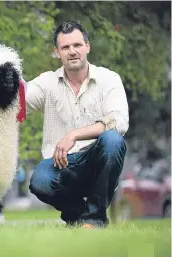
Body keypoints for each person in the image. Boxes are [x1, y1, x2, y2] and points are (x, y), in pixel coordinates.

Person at [26, 20, 129, 228]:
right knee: (39, 181)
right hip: (61, 164)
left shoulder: (109, 79)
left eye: (77, 45)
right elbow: (17, 100)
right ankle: (79, 216)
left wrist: (73, 135)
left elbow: (119, 122)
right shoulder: (47, 82)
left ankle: (94, 219)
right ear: (57, 52)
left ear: (87, 46)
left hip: (97, 161)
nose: (72, 51)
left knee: (113, 140)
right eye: (65, 47)